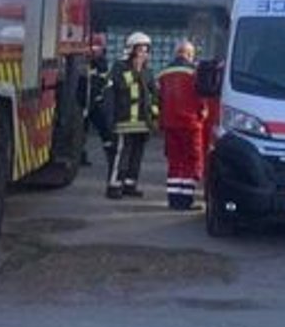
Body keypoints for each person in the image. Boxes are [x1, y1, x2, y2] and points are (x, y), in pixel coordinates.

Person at [104, 32, 158, 199]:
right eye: (140, 50)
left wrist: (154, 117)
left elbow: (154, 95)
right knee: (121, 155)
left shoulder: (148, 72)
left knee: (136, 156)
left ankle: (130, 184)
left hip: (142, 123)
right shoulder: (119, 68)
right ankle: (114, 186)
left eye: (146, 50)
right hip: (123, 122)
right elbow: (119, 87)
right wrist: (136, 69)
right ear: (131, 50)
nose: (144, 54)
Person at [158, 40, 207, 210]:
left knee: (174, 161)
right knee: (191, 161)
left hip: (170, 123)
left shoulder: (164, 73)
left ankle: (174, 199)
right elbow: (201, 98)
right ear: (189, 54)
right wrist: (203, 113)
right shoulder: (195, 73)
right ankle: (186, 200)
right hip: (190, 123)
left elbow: (159, 98)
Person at [81, 33, 115, 167]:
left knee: (105, 130)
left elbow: (100, 83)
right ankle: (80, 155)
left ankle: (111, 156)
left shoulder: (101, 64)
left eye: (98, 48)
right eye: (93, 48)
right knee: (81, 131)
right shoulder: (84, 62)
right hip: (84, 102)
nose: (95, 51)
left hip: (96, 103)